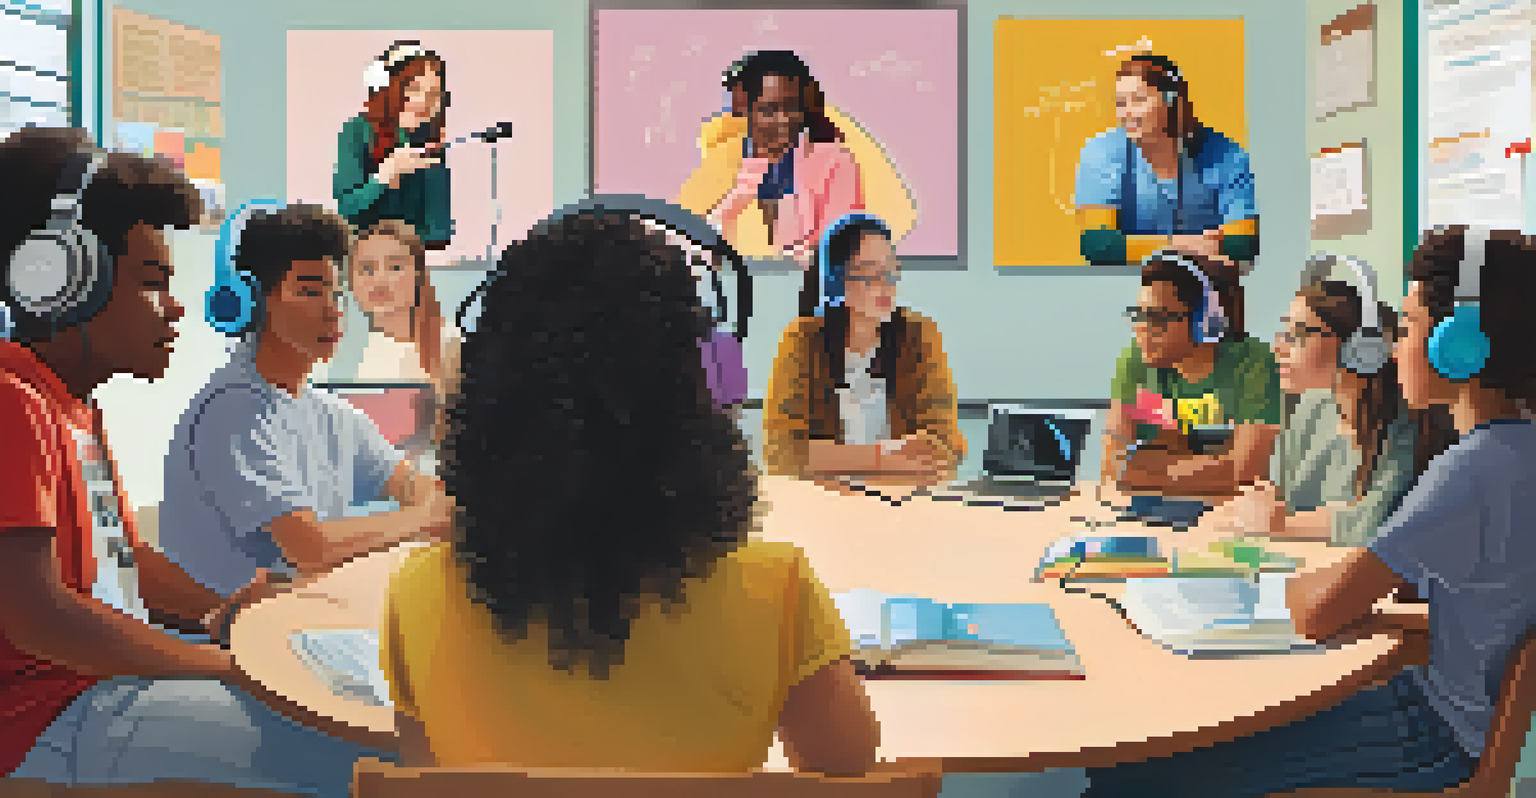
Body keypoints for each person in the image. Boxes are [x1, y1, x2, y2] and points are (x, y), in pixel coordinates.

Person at [381, 202, 881, 775]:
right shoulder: (780, 591)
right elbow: (850, 775)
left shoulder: (417, 596)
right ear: (699, 391)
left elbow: (429, 774)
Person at [1081, 225, 1536, 797]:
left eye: (1412, 326)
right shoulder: (1514, 453)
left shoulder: (1469, 470)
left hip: (1432, 738)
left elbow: (1321, 611)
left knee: (1149, 771)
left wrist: (1267, 589)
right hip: (1443, 715)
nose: (1394, 348)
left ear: (1461, 344)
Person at [0, 127, 383, 796]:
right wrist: (223, 666)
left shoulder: (76, 410)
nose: (176, 310)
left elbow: (125, 563)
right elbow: (38, 615)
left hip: (102, 693)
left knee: (348, 719)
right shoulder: (13, 404)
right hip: (48, 720)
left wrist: (219, 616)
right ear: (61, 279)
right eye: (152, 283)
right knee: (352, 762)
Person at [158, 202, 453, 602]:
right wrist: (428, 518)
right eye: (310, 291)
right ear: (251, 301)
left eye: (336, 294)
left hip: (298, 622)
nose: (332, 310)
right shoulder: (232, 412)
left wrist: (432, 505)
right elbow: (311, 548)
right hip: (224, 644)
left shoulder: (333, 415)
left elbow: (410, 486)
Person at [1228, 259, 1456, 546]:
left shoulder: (1402, 416)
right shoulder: (1310, 406)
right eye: (1284, 332)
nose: (1278, 348)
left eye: (1297, 335)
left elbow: (1376, 522)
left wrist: (1283, 525)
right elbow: (1283, 502)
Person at [763, 214, 964, 486]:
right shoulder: (804, 339)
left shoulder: (918, 335)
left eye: (890, 271)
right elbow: (781, 452)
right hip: (826, 503)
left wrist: (836, 460)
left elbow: (945, 444)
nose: (886, 284)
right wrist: (884, 457)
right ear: (837, 279)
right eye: (870, 272)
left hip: (902, 502)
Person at [1101, 249, 1280, 496]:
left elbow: (1245, 474)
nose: (1141, 329)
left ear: (1204, 322)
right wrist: (1210, 467)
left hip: (1229, 515)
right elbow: (1113, 466)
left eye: (1157, 318)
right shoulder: (1136, 359)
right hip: (1149, 508)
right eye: (1139, 315)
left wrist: (1153, 468)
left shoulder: (1253, 363)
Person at [676, 50, 875, 265]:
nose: (784, 120)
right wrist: (742, 192)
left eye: (793, 108)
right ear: (744, 107)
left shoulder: (835, 163)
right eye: (769, 110)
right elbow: (687, 245)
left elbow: (842, 251)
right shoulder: (721, 159)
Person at [1075, 54, 1259, 269]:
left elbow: (1243, 244)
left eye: (1139, 100)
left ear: (1171, 101)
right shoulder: (1101, 152)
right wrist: (1184, 245)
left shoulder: (1228, 155)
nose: (1127, 113)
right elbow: (1099, 246)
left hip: (1206, 289)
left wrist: (1138, 247)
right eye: (1121, 103)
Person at [349, 218, 463, 450]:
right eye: (367, 269)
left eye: (395, 267)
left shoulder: (448, 343)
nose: (379, 281)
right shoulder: (340, 349)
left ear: (418, 275)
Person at [334, 40, 452, 249]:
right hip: (364, 257)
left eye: (433, 94)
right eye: (414, 89)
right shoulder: (357, 131)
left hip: (412, 259)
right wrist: (385, 175)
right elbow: (345, 211)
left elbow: (437, 228)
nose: (424, 101)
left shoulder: (429, 141)